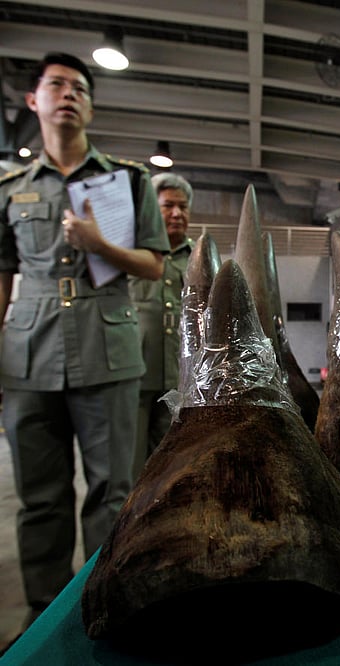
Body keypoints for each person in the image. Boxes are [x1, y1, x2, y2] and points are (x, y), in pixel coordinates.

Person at [0, 52, 169, 625]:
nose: (68, 94)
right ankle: (44, 620)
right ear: (33, 100)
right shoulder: (11, 188)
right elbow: (2, 276)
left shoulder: (127, 180)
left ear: (91, 107)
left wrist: (100, 245)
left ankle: (105, 607)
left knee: (112, 493)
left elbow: (153, 265)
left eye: (79, 87)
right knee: (40, 497)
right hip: (28, 353)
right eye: (56, 85)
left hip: (107, 346)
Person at [129, 173, 193, 481]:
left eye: (183, 206)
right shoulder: (131, 254)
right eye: (168, 206)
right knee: (130, 462)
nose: (177, 213)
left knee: (173, 464)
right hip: (136, 372)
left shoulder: (198, 257)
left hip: (179, 378)